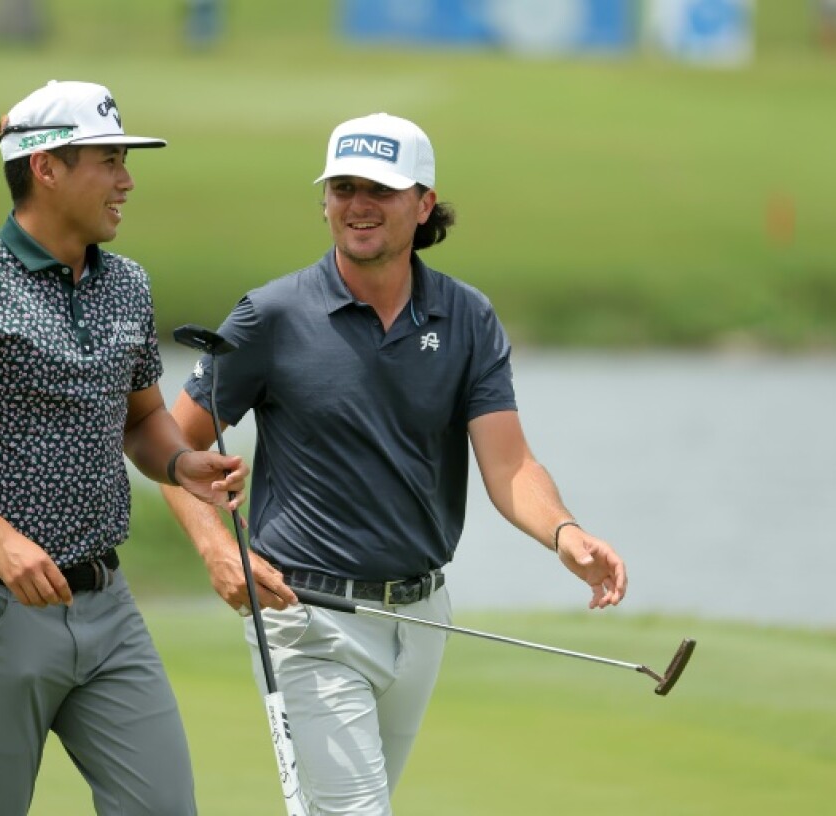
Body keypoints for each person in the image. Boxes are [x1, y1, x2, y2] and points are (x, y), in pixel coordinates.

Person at [162, 112, 628, 815]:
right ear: (323, 201)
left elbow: (510, 466)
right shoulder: (273, 315)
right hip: (308, 615)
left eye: (380, 188)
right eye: (343, 187)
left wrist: (565, 533)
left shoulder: (467, 318)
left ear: (423, 204)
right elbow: (172, 446)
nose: (358, 205)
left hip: (423, 617)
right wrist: (216, 549)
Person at [0, 79, 248, 816]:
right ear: (46, 167)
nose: (127, 181)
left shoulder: (126, 286)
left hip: (107, 609)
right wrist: (1, 540)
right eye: (108, 160)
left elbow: (140, 418)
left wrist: (180, 462)